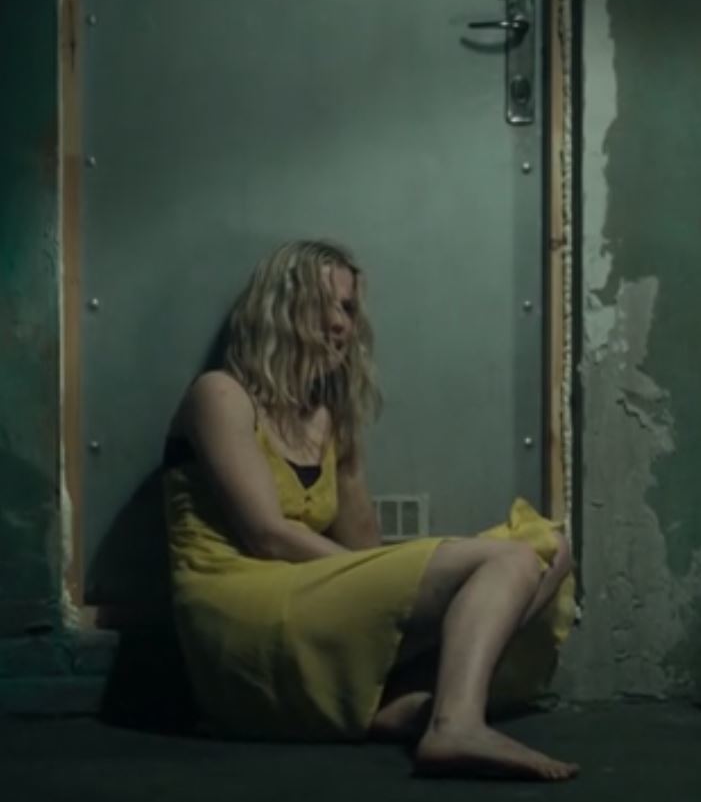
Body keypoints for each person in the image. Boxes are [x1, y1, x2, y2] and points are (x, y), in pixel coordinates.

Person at [162, 239, 579, 780]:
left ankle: (408, 706)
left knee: (550, 549)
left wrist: (419, 588)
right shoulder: (220, 395)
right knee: (508, 562)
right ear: (279, 308)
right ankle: (455, 725)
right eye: (326, 305)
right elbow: (266, 535)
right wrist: (419, 581)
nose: (342, 324)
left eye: (349, 308)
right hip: (241, 606)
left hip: (311, 600)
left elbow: (364, 551)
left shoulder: (329, 421)